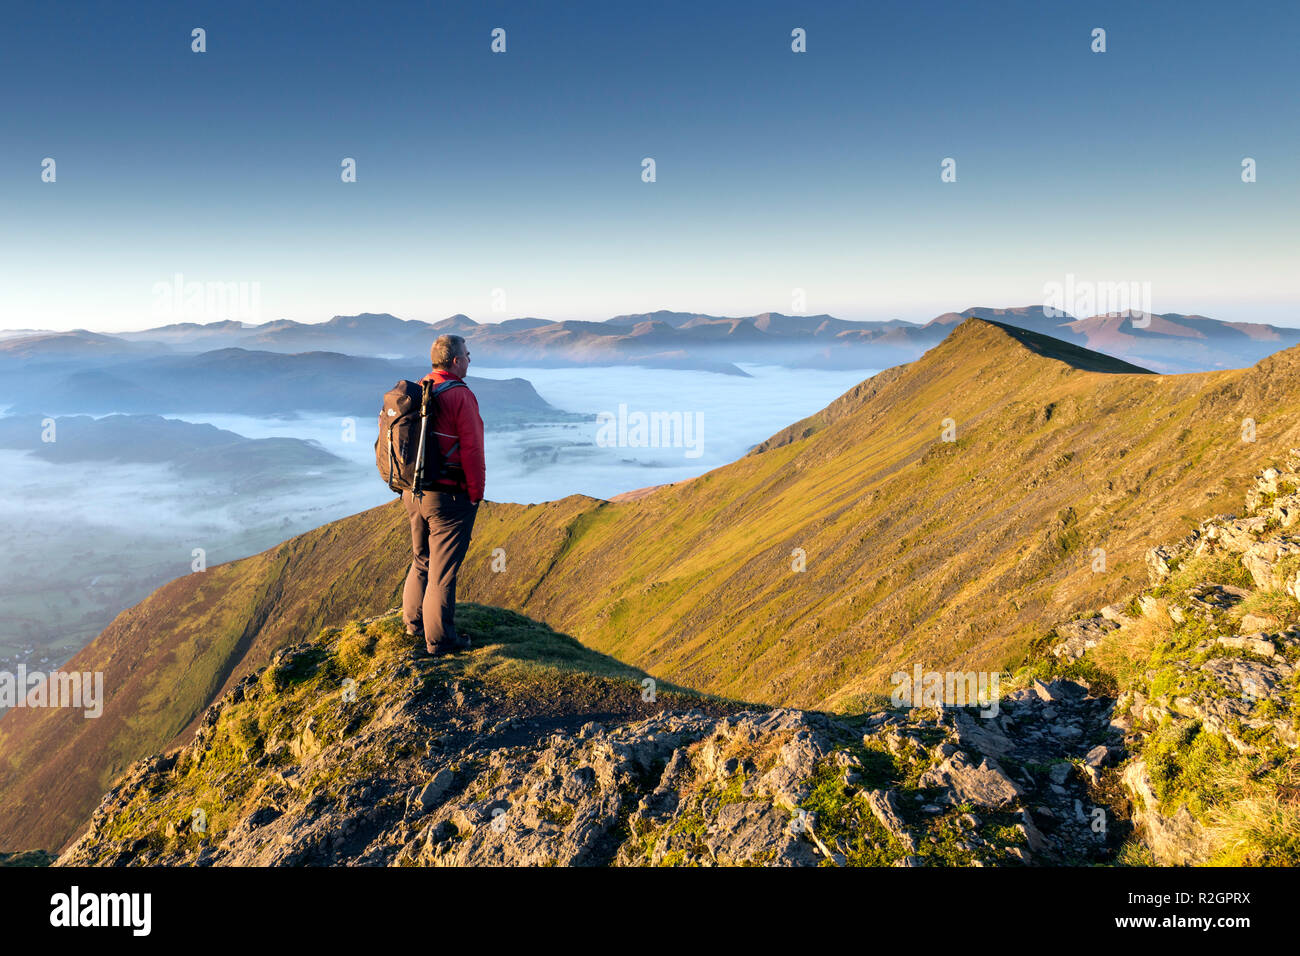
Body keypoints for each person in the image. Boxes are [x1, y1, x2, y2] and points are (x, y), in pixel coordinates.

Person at [401, 334, 485, 656]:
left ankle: (414, 624)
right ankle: (440, 642)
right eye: (467, 354)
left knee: (421, 559)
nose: (469, 359)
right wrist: (476, 493)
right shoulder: (460, 396)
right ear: (455, 360)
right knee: (442, 570)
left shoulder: (420, 388)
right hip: (448, 497)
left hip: (413, 492)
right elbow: (472, 448)